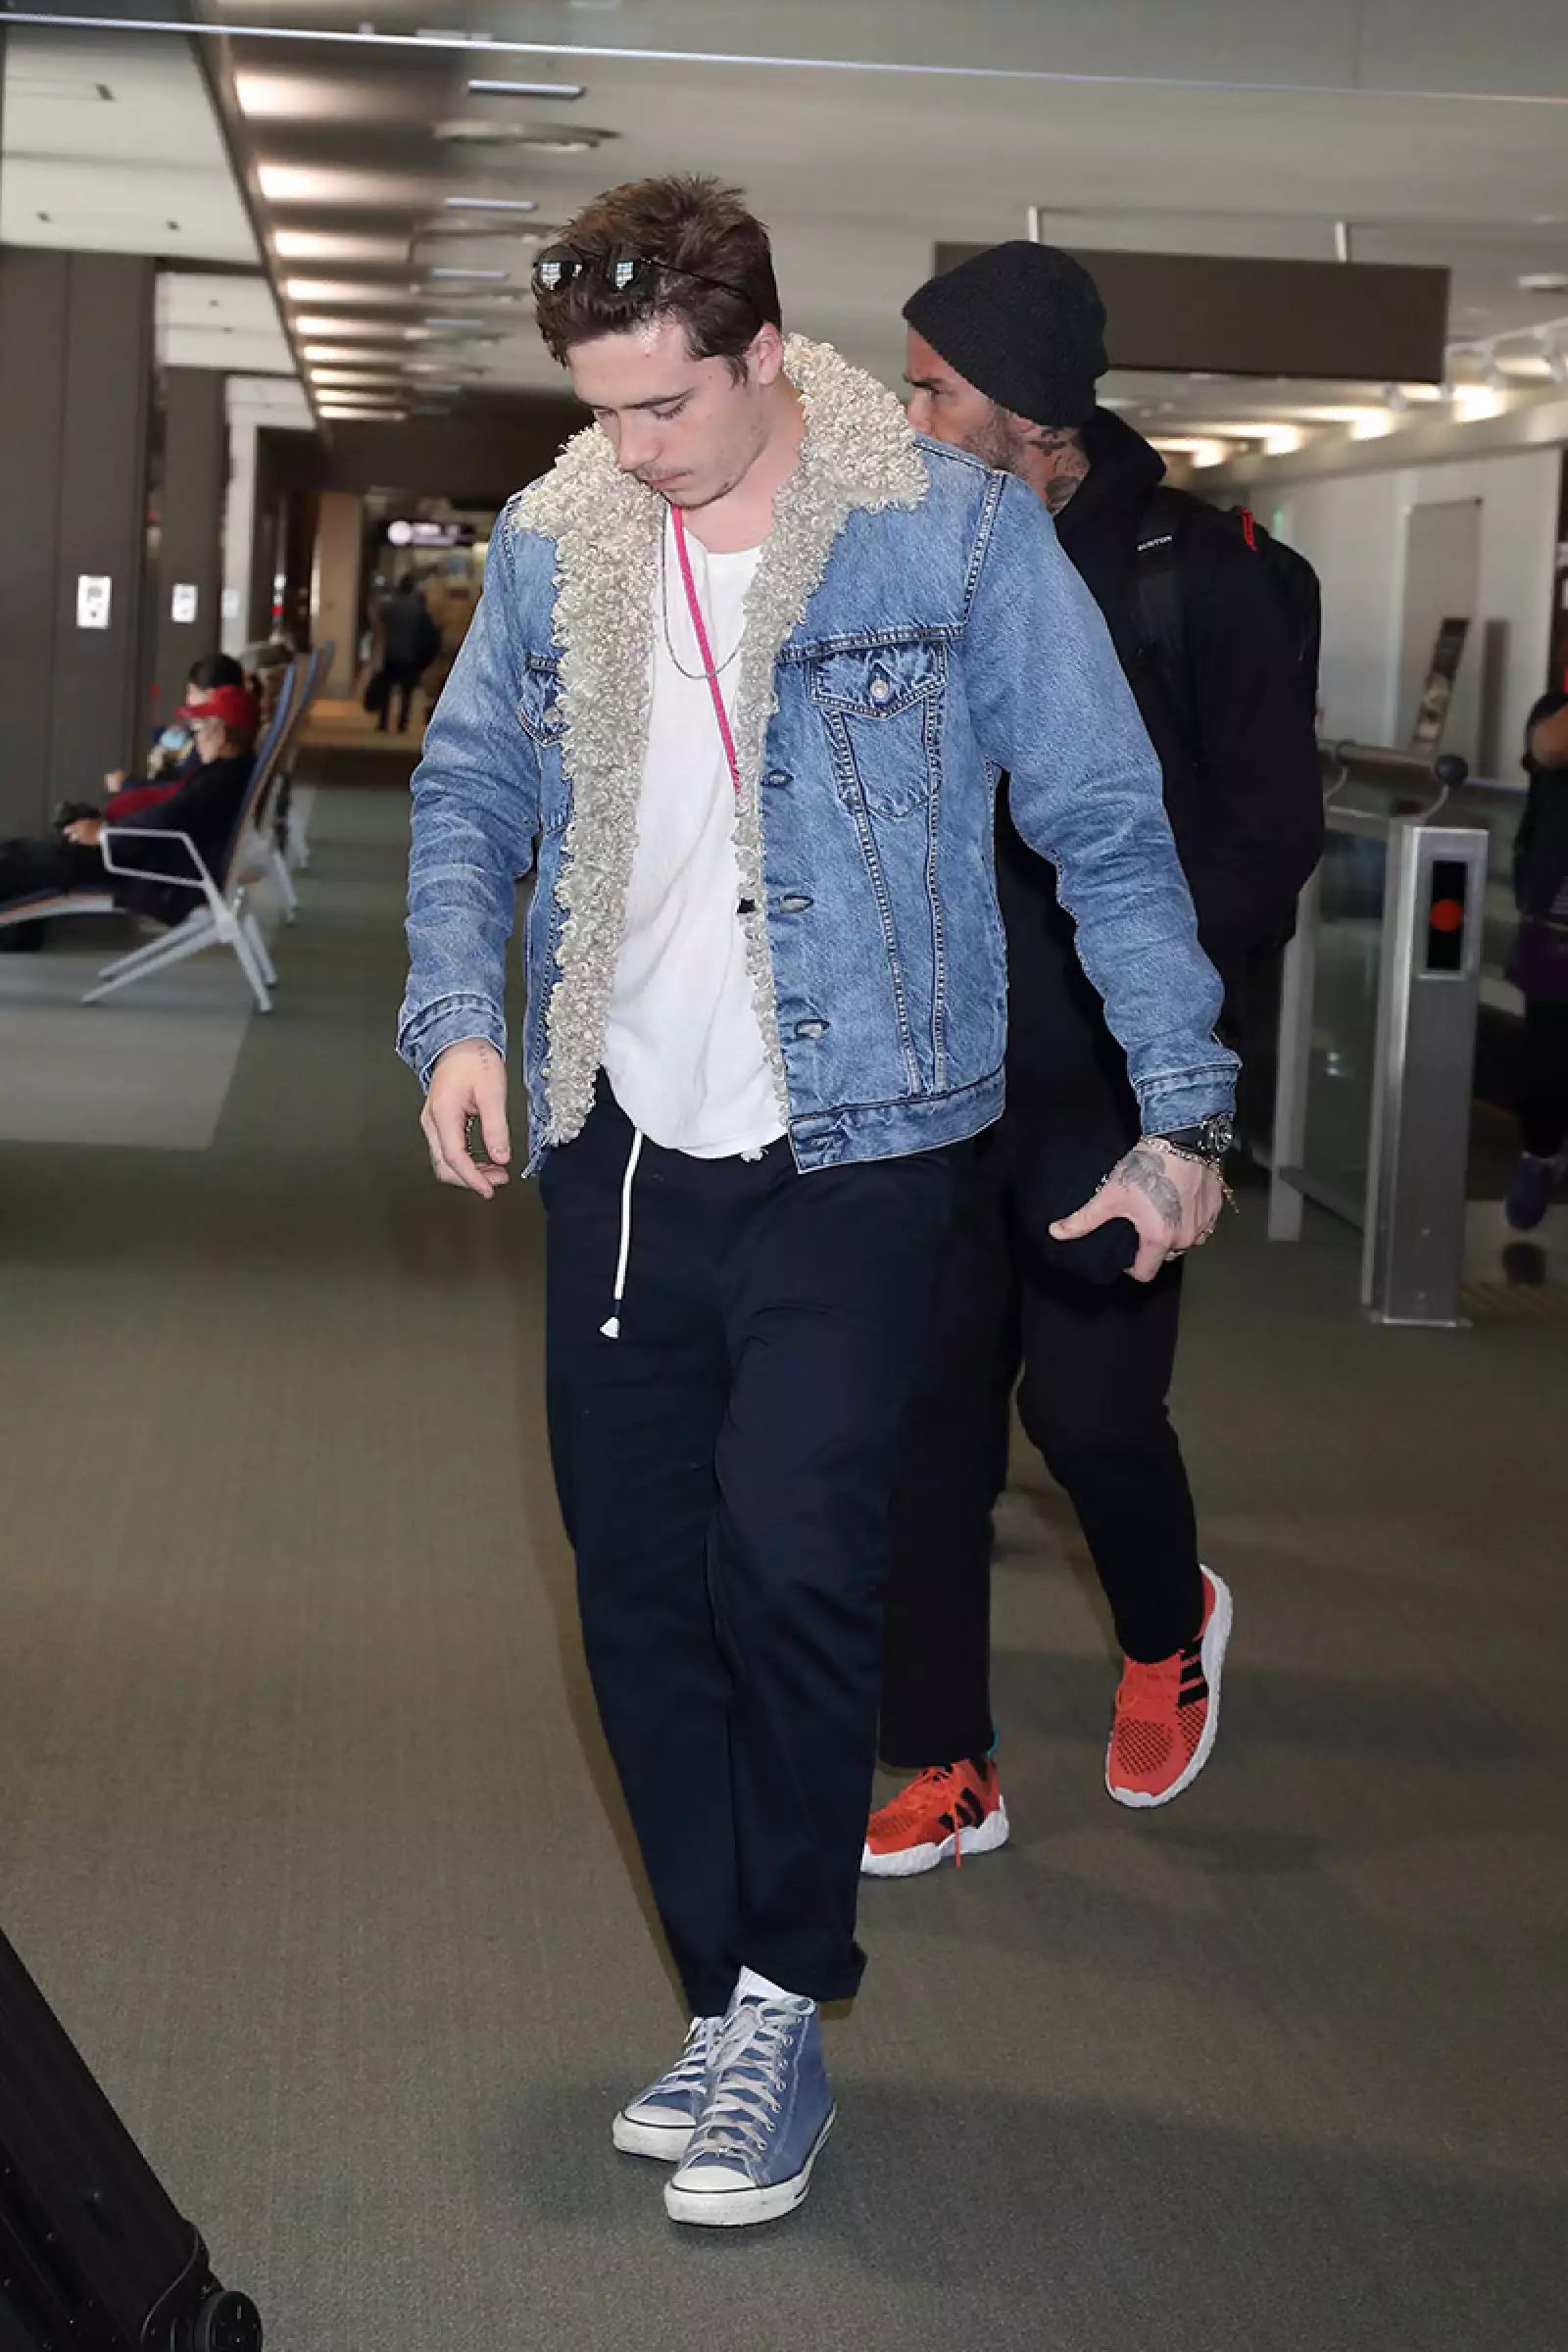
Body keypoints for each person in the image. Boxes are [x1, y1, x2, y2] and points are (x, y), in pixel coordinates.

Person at [399, 175, 1237, 2230]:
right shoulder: (560, 536)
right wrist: (454, 1014)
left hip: (861, 1143)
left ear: (766, 354)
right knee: (633, 1591)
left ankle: (783, 1998)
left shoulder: (941, 533)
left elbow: (1106, 825)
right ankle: (717, 2002)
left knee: (789, 1555)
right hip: (619, 1140)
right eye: (599, 411)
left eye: (664, 410)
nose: (632, 451)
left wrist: (1184, 1106)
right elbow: (472, 785)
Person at [864, 243, 1324, 1877]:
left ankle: (1163, 1625)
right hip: (933, 1079)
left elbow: (1274, 837)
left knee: (1091, 1418)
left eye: (934, 389)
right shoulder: (908, 556)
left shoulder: (1199, 573)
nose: (905, 413)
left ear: (1035, 415)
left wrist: (1169, 1055)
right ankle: (940, 1756)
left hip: (1109, 1089)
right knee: (925, 1423)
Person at [0, 686, 258, 928]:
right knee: (26, 852)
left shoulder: (218, 782)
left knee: (33, 859)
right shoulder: (229, 771)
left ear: (222, 735)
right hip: (148, 858)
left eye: (200, 727)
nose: (196, 735)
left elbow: (165, 817)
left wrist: (104, 835)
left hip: (149, 871)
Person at [1503, 687, 1568, 1229]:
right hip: (1558, 927)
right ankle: (1540, 1156)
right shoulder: (1554, 709)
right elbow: (1549, 748)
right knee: (1544, 1064)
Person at [373, 575, 439, 734]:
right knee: (407, 692)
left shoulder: (390, 606)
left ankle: (383, 722)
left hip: (391, 653)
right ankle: (402, 723)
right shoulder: (418, 608)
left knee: (387, 689)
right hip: (410, 655)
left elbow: (380, 628)